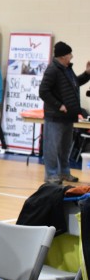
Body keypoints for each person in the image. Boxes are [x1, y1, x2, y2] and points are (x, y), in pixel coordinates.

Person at [39, 41, 90, 184]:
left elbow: (75, 83)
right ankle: (51, 175)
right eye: (69, 54)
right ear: (62, 56)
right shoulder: (52, 70)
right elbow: (43, 91)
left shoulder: (67, 69)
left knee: (65, 148)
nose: (72, 56)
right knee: (52, 147)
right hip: (55, 117)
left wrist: (87, 74)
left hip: (68, 117)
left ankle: (64, 173)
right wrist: (59, 105)